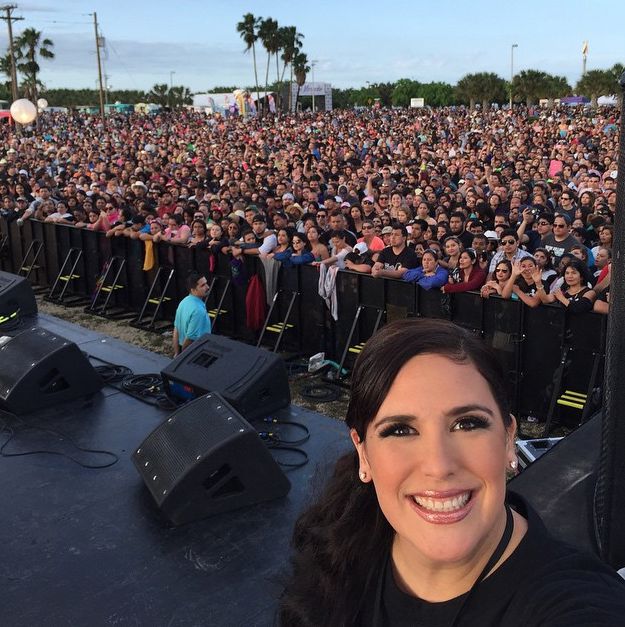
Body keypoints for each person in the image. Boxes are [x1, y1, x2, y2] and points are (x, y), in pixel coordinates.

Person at [279, 319, 625, 626]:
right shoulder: (337, 552)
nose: (439, 465)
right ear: (363, 453)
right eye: (400, 429)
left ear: (508, 439)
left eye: (468, 423)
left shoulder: (575, 602)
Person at [172, 271, 211, 357]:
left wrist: (176, 353)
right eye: (202, 285)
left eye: (206, 283)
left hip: (183, 349)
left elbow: (176, 330)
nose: (207, 287)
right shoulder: (198, 311)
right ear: (193, 290)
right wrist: (183, 358)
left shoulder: (183, 302)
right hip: (195, 353)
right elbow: (190, 339)